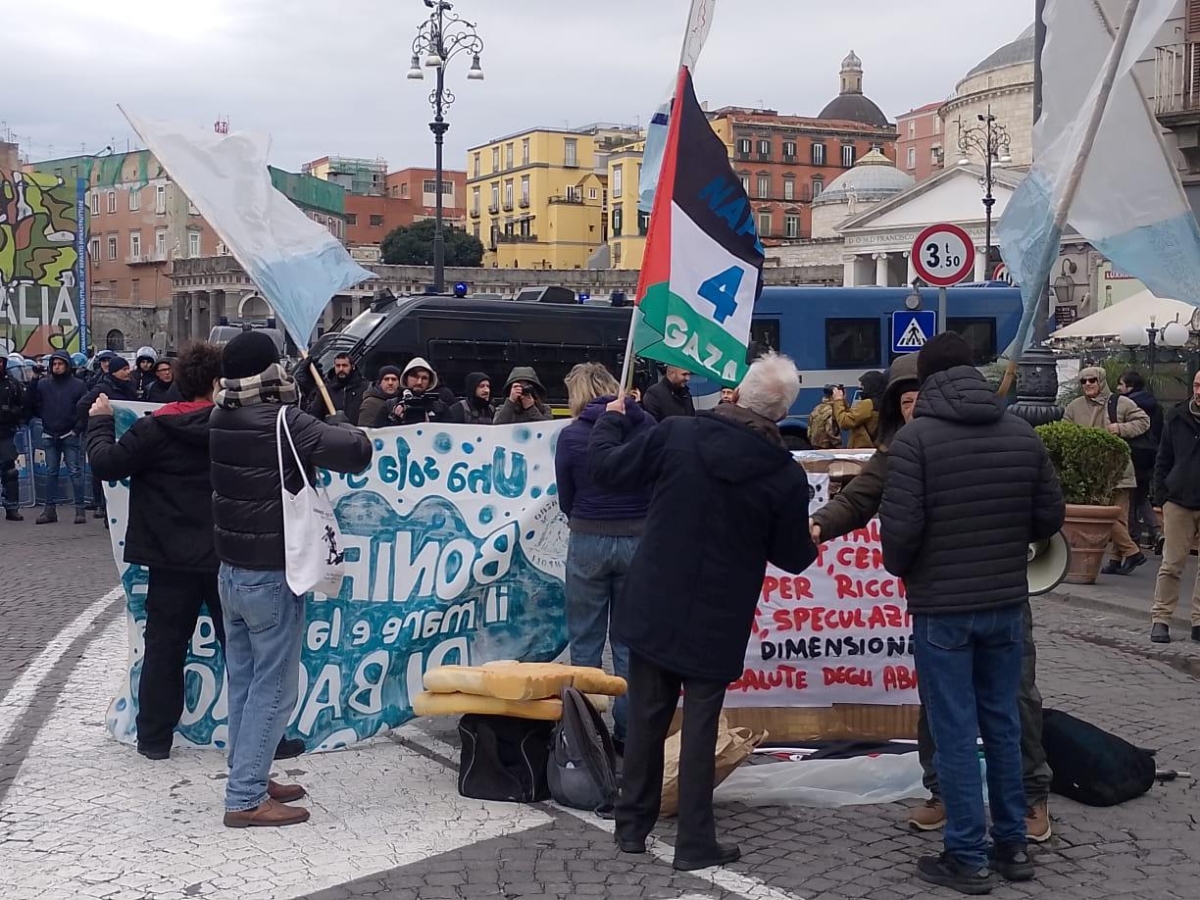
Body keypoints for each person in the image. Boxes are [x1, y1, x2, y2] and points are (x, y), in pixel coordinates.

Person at [812, 352, 1055, 845]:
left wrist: (920, 560)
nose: (912, 407)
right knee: (950, 708)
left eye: (917, 397)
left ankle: (1014, 811)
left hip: (974, 599)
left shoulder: (986, 435)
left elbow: (900, 537)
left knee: (1005, 704)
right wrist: (820, 523)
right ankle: (955, 800)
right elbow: (861, 498)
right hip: (977, 596)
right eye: (903, 400)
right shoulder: (916, 443)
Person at [590, 352, 817, 872]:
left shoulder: (679, 434)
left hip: (655, 599)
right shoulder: (783, 474)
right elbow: (791, 556)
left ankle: (631, 827)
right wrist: (812, 536)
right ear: (781, 413)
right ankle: (694, 840)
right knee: (699, 727)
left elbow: (607, 470)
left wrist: (609, 421)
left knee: (647, 718)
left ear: (738, 391)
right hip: (718, 614)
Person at [880, 333, 1065, 894]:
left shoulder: (916, 441)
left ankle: (966, 854)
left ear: (927, 379)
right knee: (1004, 724)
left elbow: (900, 536)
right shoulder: (1020, 432)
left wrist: (908, 566)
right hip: (1005, 601)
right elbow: (1049, 515)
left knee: (956, 732)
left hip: (943, 606)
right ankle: (1011, 845)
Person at [210, 330, 372, 827]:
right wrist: (346, 422)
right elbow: (354, 451)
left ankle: (250, 773)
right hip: (270, 573)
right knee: (275, 688)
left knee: (243, 680)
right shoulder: (283, 420)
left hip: (231, 572)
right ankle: (244, 798)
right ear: (271, 372)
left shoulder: (221, 414)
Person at [554, 363, 653, 755]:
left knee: (585, 643)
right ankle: (628, 736)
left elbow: (566, 494)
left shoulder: (571, 436)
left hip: (588, 538)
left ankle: (583, 734)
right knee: (629, 646)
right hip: (638, 541)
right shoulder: (646, 428)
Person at [1062, 367, 1150, 575]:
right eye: (1083, 381)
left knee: (1118, 517)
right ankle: (1131, 552)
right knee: (1105, 515)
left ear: (1101, 381)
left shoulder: (1120, 402)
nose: (1088, 384)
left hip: (1119, 469)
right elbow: (1065, 432)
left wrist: (1121, 429)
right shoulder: (1074, 407)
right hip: (1091, 473)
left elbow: (1144, 421)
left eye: (1092, 380)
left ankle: (1118, 558)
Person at [1151, 369, 1200, 644]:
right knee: (1171, 564)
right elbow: (1163, 457)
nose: (1199, 391)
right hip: (1179, 500)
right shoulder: (1177, 416)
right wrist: (1162, 496)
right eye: (1196, 384)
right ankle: (1161, 618)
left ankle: (1199, 621)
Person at [25, 350, 88, 525]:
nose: (57, 367)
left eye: (60, 364)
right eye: (54, 364)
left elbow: (85, 409)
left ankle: (80, 510)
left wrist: (77, 429)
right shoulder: (44, 384)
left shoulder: (78, 385)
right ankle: (49, 510)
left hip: (70, 433)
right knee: (51, 473)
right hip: (49, 433)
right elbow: (29, 402)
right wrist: (34, 380)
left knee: (75, 472)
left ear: (68, 365)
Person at [1118, 370, 1164, 551]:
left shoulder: (1127, 405)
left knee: (1128, 498)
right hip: (1150, 456)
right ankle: (1157, 532)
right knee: (1141, 497)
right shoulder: (1156, 405)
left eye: (1120, 384)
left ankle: (1132, 538)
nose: (1118, 388)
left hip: (1132, 454)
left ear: (1129, 387)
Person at [307, 352, 366, 425]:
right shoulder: (326, 390)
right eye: (338, 366)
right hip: (333, 433)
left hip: (357, 432)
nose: (341, 369)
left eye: (344, 365)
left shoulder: (364, 388)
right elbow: (314, 414)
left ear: (352, 366)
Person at [831, 371, 885, 449]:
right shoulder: (883, 402)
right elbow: (854, 417)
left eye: (862, 387)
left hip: (863, 450)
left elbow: (844, 422)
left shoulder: (868, 404)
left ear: (869, 386)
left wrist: (838, 400)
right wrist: (844, 401)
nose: (861, 391)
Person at [0, 354, 25, 521]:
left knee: (10, 472)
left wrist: (11, 411)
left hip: (5, 431)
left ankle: (12, 508)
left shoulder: (12, 384)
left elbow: (23, 405)